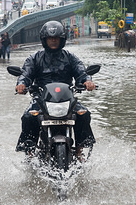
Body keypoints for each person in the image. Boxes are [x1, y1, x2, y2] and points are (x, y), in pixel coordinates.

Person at [14, 21, 96, 153]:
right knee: (28, 117)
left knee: (83, 114)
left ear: (61, 40)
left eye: (56, 38)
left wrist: (87, 81)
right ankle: (29, 151)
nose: (53, 41)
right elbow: (26, 74)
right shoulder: (35, 58)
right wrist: (21, 84)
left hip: (66, 98)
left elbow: (81, 72)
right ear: (44, 40)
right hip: (41, 100)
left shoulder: (70, 57)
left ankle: (80, 149)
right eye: (50, 38)